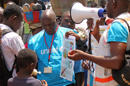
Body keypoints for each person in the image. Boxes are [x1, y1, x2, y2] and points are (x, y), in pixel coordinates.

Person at [68, 0, 130, 86]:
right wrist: (97, 37)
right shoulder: (127, 20)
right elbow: (115, 49)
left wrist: (84, 56)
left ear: (114, 3)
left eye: (107, 3)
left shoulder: (117, 25)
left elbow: (116, 62)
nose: (105, 7)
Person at [28, 9, 75, 86]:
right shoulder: (34, 41)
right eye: (44, 25)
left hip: (66, 83)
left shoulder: (68, 34)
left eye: (50, 24)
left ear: (56, 21)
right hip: (45, 84)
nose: (48, 28)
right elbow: (31, 66)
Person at [0, 4, 25, 86]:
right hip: (12, 81)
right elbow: (25, 59)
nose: (20, 26)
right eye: (20, 21)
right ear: (13, 18)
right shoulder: (13, 37)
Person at [61, 11, 85, 86]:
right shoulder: (56, 34)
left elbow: (84, 49)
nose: (69, 24)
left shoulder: (78, 34)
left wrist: (78, 39)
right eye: (66, 21)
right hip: (62, 73)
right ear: (60, 20)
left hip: (76, 71)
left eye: (72, 22)